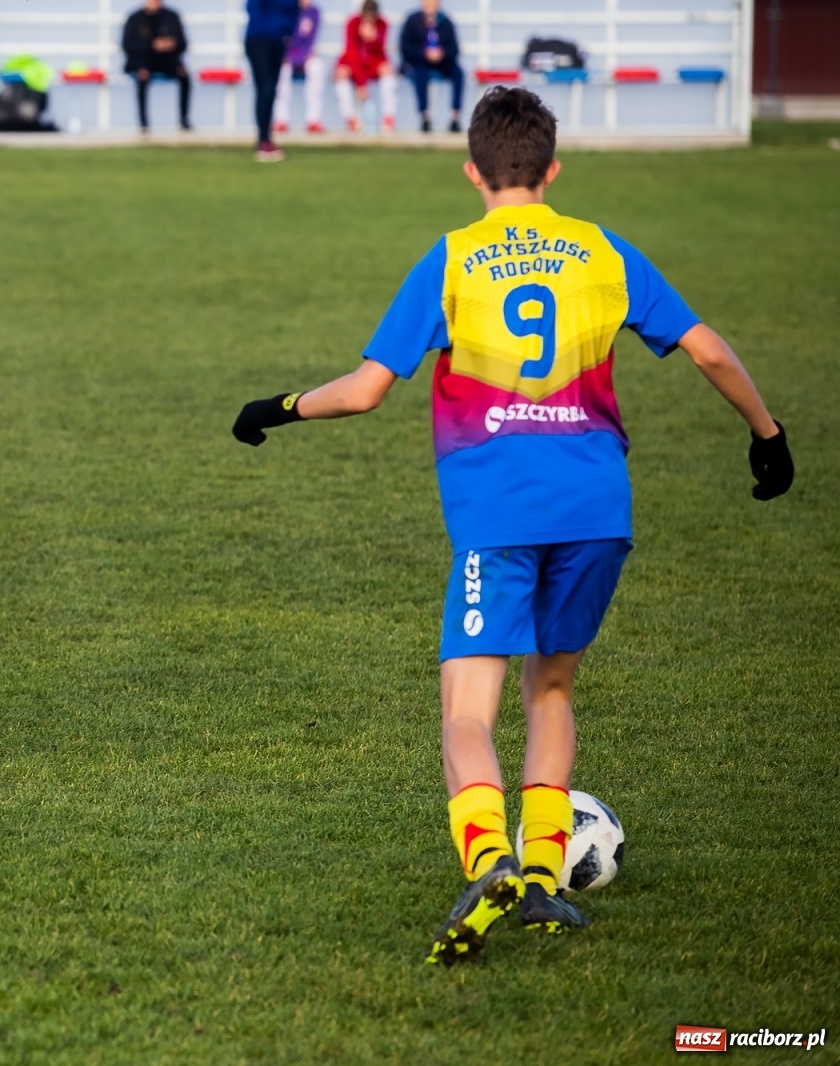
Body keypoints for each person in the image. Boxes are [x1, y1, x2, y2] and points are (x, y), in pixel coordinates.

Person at [231, 86, 793, 964]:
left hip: (499, 514)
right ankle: (541, 872)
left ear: (472, 171)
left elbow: (371, 386)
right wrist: (768, 435)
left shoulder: (454, 259)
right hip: (600, 510)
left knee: (467, 708)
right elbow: (708, 348)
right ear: (553, 169)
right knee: (553, 688)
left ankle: (488, 860)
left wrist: (280, 405)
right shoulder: (602, 249)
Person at [122, 0, 191, 133]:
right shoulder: (134, 18)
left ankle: (184, 120)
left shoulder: (172, 16)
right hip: (142, 61)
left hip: (168, 61)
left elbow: (183, 44)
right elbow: (127, 45)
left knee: (184, 75)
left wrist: (171, 44)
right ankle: (144, 124)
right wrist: (152, 46)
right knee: (142, 75)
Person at [244, 0, 299, 162]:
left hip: (279, 42)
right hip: (258, 39)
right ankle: (263, 142)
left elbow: (294, 13)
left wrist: (287, 36)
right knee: (265, 88)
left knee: (272, 90)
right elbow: (252, 7)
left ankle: (266, 139)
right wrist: (273, 29)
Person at [399, 0, 464, 133]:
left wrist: (442, 53)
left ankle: (455, 117)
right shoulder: (413, 21)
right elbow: (405, 47)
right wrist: (424, 53)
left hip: (443, 62)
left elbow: (454, 49)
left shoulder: (446, 22)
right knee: (420, 75)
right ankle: (424, 117)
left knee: (458, 73)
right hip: (420, 61)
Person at [334, 0, 397, 133]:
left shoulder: (382, 24)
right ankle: (350, 119)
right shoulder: (352, 23)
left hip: (373, 63)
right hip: (354, 64)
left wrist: (373, 40)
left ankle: (388, 118)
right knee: (341, 73)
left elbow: (380, 53)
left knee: (388, 70)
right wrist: (361, 83)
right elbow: (350, 53)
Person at [272, 2, 324, 134]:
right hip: (287, 55)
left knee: (317, 67)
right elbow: (282, 37)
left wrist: (303, 56)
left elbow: (311, 39)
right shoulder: (285, 9)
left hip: (305, 55)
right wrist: (286, 55)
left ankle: (313, 120)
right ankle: (281, 120)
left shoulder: (314, 13)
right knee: (281, 71)